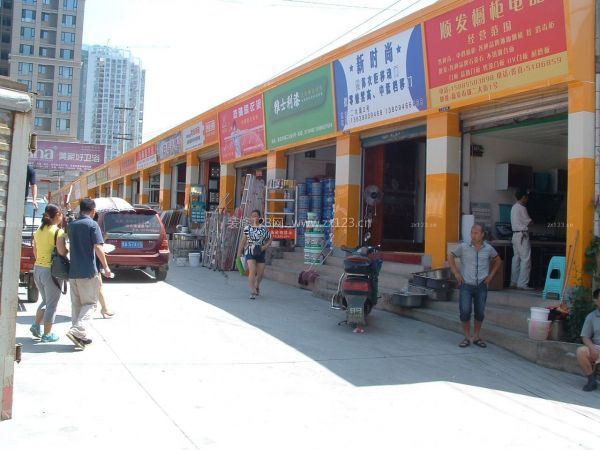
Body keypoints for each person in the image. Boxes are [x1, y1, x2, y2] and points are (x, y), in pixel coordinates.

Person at [66, 198, 112, 348]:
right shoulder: (92, 225)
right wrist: (106, 267)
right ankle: (77, 330)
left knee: (76, 305)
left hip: (73, 272)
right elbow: (98, 247)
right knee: (91, 304)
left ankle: (80, 336)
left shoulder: (72, 225)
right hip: (88, 271)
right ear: (93, 210)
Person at [448, 223, 502, 348]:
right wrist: (456, 273)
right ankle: (467, 337)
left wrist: (491, 276)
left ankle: (476, 336)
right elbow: (450, 255)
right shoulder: (464, 247)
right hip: (466, 285)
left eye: (476, 233)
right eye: (472, 233)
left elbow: (498, 260)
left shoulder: (488, 248)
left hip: (482, 285)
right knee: (465, 312)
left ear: (482, 234)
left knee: (480, 312)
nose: (473, 235)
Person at [29, 204, 68, 342]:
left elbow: (35, 250)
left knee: (46, 300)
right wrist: (67, 249)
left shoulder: (39, 230)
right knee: (51, 304)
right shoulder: (58, 232)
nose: (62, 217)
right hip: (51, 271)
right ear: (57, 215)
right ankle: (47, 334)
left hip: (38, 269)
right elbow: (62, 252)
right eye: (61, 214)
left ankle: (36, 326)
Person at [237, 209, 272, 300]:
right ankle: (252, 290)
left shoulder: (264, 228)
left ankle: (257, 284)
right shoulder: (247, 228)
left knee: (260, 273)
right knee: (252, 270)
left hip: (261, 251)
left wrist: (265, 246)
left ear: (259, 217)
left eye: (256, 216)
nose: (254, 218)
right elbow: (243, 241)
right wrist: (239, 252)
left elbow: (270, 238)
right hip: (250, 251)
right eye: (252, 216)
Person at [576, 289, 600, 391]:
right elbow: (585, 337)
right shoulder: (591, 317)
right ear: (596, 300)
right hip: (598, 348)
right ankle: (591, 380)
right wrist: (592, 348)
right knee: (581, 351)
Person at [510, 189, 532, 290]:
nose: (527, 199)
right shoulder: (522, 208)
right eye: (526, 197)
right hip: (522, 235)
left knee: (516, 259)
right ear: (523, 197)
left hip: (515, 235)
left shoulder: (513, 207)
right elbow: (529, 222)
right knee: (525, 259)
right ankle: (522, 284)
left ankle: (513, 282)